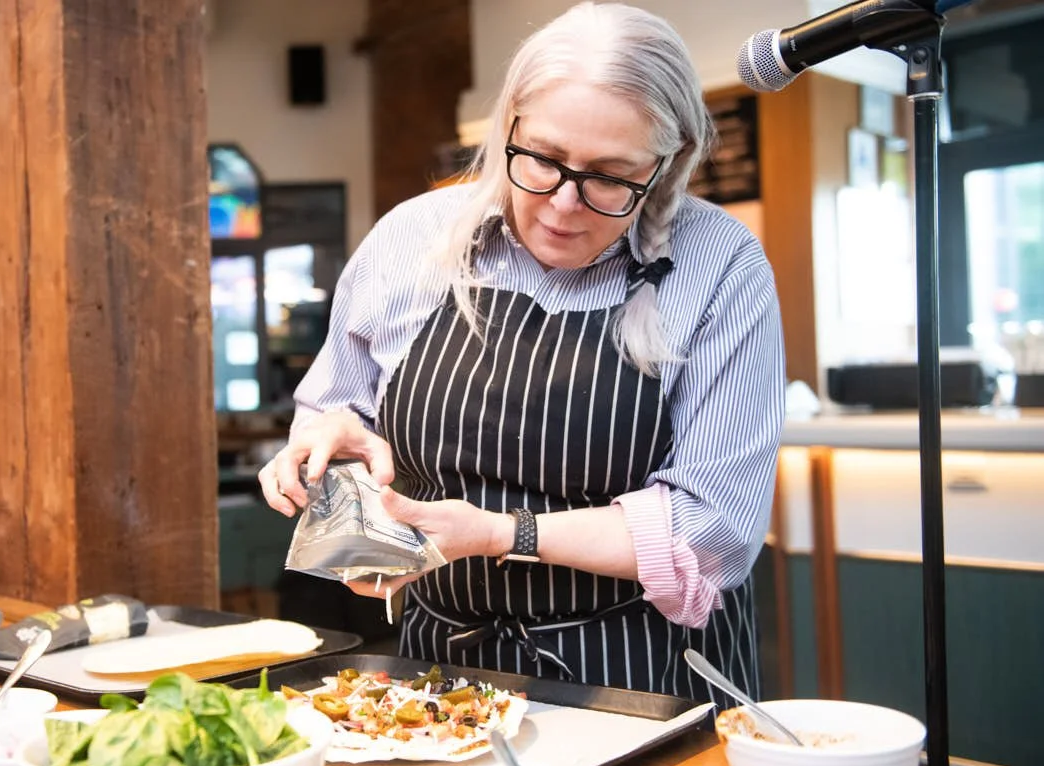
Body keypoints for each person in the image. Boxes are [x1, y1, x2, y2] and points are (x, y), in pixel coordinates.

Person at [259, 1, 785, 708]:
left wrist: (505, 533)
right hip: (443, 678)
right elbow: (340, 412)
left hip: (640, 677)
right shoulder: (410, 239)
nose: (564, 204)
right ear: (509, 126)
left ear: (667, 164)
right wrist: (334, 457)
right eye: (541, 158)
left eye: (609, 176)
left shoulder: (719, 263)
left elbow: (711, 530)